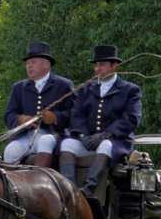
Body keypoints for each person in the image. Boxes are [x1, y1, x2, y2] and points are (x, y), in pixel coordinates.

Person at [60, 44, 142, 195]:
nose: (97, 69)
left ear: (114, 66)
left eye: (102, 65)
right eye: (96, 65)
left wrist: (106, 134)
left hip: (116, 142)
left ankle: (89, 188)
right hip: (88, 140)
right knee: (67, 144)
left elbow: (131, 118)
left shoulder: (130, 90)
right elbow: (77, 115)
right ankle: (70, 189)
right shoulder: (86, 89)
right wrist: (83, 136)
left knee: (105, 145)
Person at [2, 41, 74, 167]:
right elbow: (9, 115)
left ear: (46, 64)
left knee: (45, 141)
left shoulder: (63, 85)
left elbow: (75, 114)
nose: (29, 66)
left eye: (33, 62)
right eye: (27, 63)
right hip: (26, 137)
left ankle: (40, 178)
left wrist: (55, 118)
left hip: (54, 136)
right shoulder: (19, 88)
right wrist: (20, 119)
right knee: (10, 150)